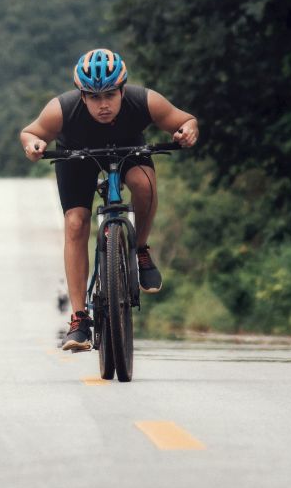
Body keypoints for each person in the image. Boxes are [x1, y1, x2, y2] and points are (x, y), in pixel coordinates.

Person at [19, 48, 198, 351]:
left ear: (122, 90)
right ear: (82, 95)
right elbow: (30, 132)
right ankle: (78, 319)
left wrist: (187, 132)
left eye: (110, 96)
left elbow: (185, 120)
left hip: (129, 150)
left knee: (144, 184)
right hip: (76, 155)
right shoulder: (61, 109)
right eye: (94, 97)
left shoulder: (145, 100)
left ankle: (140, 249)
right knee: (75, 223)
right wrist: (34, 144)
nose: (103, 105)